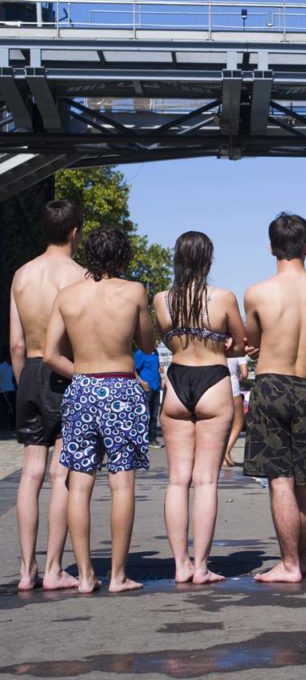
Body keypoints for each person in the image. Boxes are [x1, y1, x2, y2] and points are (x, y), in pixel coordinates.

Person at [44, 226, 155, 594]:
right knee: (122, 483)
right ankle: (119, 576)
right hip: (121, 388)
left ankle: (87, 576)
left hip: (82, 388)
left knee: (79, 482)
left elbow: (50, 354)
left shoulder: (67, 295)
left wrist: (83, 373)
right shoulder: (134, 291)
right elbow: (147, 343)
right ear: (123, 255)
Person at [244, 212, 306, 583]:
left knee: (279, 480)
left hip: (271, 384)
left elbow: (252, 340)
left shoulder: (257, 293)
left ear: (271, 247)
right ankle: (304, 557)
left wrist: (257, 349)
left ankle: (289, 564)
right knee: (302, 479)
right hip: (304, 386)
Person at [154, 231, 246, 584]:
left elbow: (164, 337)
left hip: (177, 381)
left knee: (177, 480)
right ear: (208, 260)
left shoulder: (163, 300)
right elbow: (239, 344)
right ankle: (202, 567)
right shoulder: (223, 297)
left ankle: (180, 565)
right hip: (213, 378)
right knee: (206, 481)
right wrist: (224, 345)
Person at [10, 199, 85, 591]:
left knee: (31, 471)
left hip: (32, 374)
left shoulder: (21, 275)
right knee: (62, 474)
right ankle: (55, 568)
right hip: (66, 373)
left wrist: (26, 383)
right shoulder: (81, 276)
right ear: (75, 232)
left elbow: (16, 344)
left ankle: (26, 569)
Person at [223, 356, 249, 467]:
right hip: (232, 387)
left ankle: (219, 455)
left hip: (214, 387)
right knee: (238, 423)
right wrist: (240, 378)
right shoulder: (238, 351)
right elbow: (245, 373)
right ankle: (226, 450)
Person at [135, 347, 163, 448]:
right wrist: (142, 382)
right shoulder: (141, 352)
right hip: (145, 389)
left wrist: (161, 379)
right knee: (144, 416)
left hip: (156, 388)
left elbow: (156, 368)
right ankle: (140, 440)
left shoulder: (155, 352)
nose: (155, 341)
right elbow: (133, 369)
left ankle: (152, 439)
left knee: (154, 416)